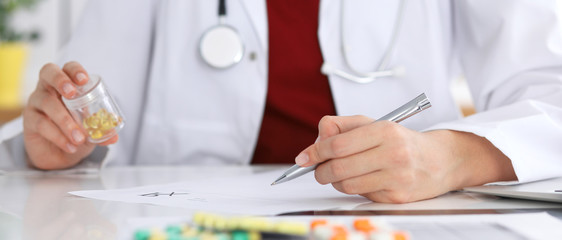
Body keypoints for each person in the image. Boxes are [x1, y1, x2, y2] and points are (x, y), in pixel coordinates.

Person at [1, 0, 562, 203]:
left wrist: (450, 156)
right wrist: (59, 140)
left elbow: (552, 95)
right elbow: (89, 107)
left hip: (397, 220)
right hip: (179, 220)